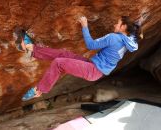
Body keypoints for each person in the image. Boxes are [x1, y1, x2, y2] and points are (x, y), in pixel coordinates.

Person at [15, 15, 144, 101]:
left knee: (59, 63)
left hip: (93, 70)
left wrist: (84, 26)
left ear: (124, 27)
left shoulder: (114, 38)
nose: (115, 25)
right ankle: (31, 49)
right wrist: (138, 23)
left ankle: (39, 90)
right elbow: (136, 30)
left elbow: (90, 45)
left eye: (118, 23)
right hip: (93, 66)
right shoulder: (129, 41)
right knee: (64, 54)